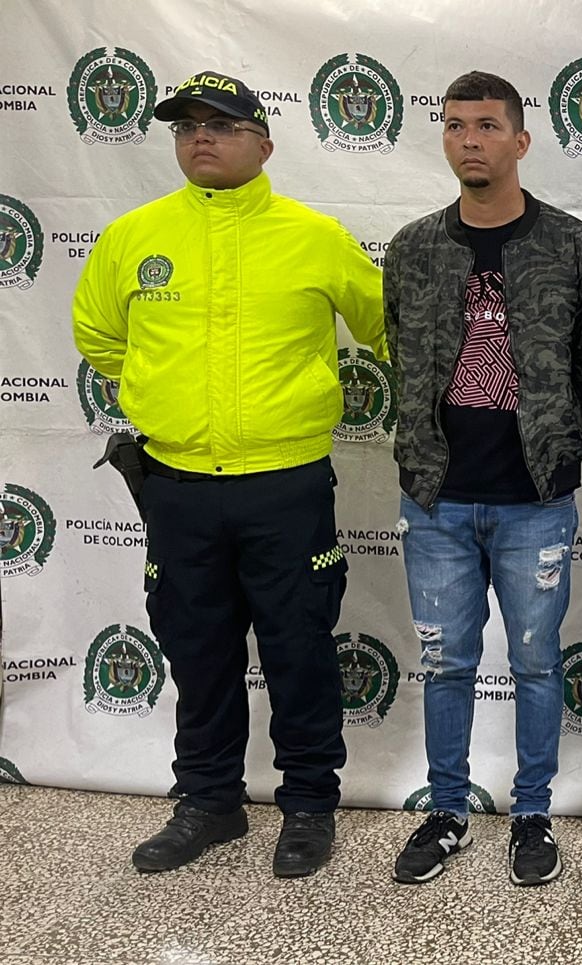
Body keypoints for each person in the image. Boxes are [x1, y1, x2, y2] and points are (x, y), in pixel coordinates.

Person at [72, 70, 385, 878]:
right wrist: (169, 398)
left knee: (299, 649)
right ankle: (208, 802)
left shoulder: (315, 236)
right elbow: (102, 339)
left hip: (285, 485)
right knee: (197, 647)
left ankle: (310, 803)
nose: (200, 137)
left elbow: (388, 328)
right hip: (176, 488)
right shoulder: (132, 238)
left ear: (264, 143)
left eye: (221, 124)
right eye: (185, 127)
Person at [384, 71, 582, 887]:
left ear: (521, 138)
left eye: (485, 125)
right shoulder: (413, 247)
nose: (468, 139)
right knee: (445, 661)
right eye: (453, 125)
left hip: (534, 499)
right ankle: (446, 809)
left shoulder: (573, 246)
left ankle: (532, 814)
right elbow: (402, 349)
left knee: (537, 661)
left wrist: (554, 440)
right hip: (435, 496)